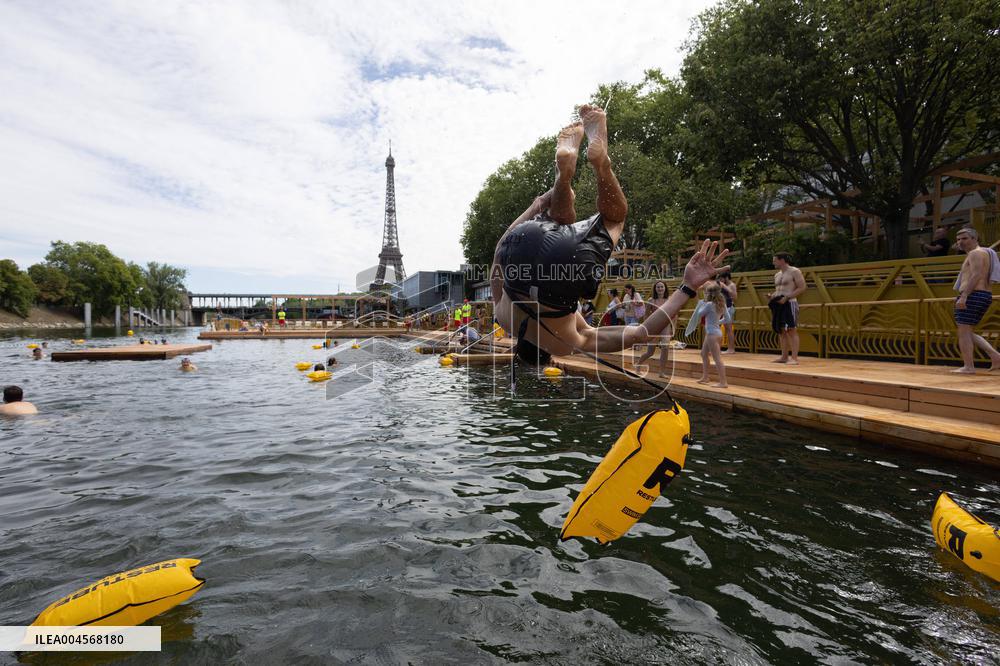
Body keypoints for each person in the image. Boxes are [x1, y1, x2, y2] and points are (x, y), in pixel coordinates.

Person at [490, 103, 729, 368]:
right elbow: (499, 249)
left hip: (565, 267)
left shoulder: (567, 344)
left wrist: (688, 286)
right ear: (516, 346)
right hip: (520, 245)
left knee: (615, 219)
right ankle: (562, 180)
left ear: (548, 357)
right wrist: (539, 203)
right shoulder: (503, 318)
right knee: (560, 222)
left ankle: (602, 163)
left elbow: (641, 333)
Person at [951, 227, 1000, 374]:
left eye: (965, 238)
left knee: (964, 332)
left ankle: (968, 366)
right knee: (966, 330)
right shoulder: (983, 253)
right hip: (981, 295)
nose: (961, 242)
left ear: (974, 238)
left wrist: (964, 295)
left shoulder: (975, 253)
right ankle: (995, 356)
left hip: (974, 294)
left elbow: (976, 274)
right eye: (958, 239)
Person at [685, 284, 731, 387]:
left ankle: (723, 382)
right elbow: (727, 319)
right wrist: (717, 322)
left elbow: (700, 314)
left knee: (717, 358)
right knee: (703, 354)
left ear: (710, 294)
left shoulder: (709, 304)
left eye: (706, 292)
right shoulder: (721, 304)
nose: (705, 294)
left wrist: (702, 303)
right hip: (716, 332)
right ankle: (705, 377)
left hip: (712, 334)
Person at [769, 252, 807, 364]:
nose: (773, 262)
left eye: (775, 260)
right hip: (779, 302)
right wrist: (773, 296)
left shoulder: (794, 271)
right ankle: (784, 356)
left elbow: (802, 287)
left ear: (782, 260)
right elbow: (779, 289)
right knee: (781, 330)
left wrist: (787, 297)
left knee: (791, 329)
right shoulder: (777, 275)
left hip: (790, 302)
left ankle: (794, 358)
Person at [635, 281, 671, 377]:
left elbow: (674, 314)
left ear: (665, 288)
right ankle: (638, 364)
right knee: (650, 352)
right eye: (658, 287)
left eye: (661, 287)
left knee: (665, 347)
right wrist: (646, 327)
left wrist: (673, 325)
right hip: (654, 326)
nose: (660, 289)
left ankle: (662, 372)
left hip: (666, 325)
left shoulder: (669, 299)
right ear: (655, 289)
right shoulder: (651, 300)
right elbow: (646, 314)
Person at [718, 271, 738, 353]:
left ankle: (731, 348)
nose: (721, 280)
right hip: (724, 307)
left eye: (722, 278)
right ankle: (728, 348)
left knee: (729, 328)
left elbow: (735, 296)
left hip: (729, 307)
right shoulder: (723, 286)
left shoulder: (732, 285)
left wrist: (726, 288)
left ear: (726, 277)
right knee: (726, 328)